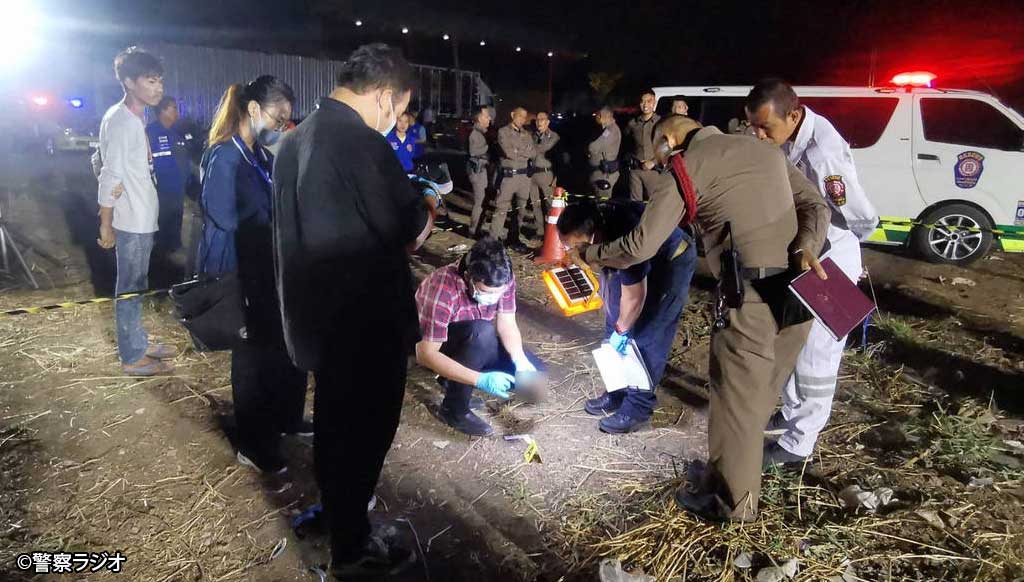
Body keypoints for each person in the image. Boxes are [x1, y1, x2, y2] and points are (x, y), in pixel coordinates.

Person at [578, 114, 830, 522]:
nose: (660, 162)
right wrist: (806, 245)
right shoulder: (763, 149)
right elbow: (815, 204)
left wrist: (592, 255)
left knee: (736, 405)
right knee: (757, 398)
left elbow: (641, 245)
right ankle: (726, 475)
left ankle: (731, 507)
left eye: (659, 152)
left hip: (751, 296)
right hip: (800, 291)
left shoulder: (686, 166)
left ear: (669, 139)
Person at [273, 43, 435, 579]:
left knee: (333, 427)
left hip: (317, 321)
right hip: (367, 324)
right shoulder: (363, 143)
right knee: (365, 434)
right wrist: (429, 203)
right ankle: (352, 548)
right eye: (398, 108)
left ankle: (339, 517)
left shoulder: (293, 139)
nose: (395, 119)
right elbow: (408, 230)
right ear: (386, 96)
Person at [745, 79, 879, 467]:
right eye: (754, 126)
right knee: (794, 342)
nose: (759, 135)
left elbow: (862, 217)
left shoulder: (822, 155)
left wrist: (844, 248)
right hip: (806, 258)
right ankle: (791, 414)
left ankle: (799, 443)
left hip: (830, 263)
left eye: (765, 127)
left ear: (794, 115)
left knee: (817, 356)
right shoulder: (790, 136)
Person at [196, 76, 308, 475]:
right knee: (252, 360)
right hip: (239, 273)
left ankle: (287, 418)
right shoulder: (225, 156)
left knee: (283, 349)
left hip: (268, 270)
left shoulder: (258, 155)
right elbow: (222, 218)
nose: (281, 126)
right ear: (254, 109)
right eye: (278, 118)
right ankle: (253, 442)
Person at [557, 201, 696, 433]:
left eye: (577, 248)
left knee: (647, 334)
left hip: (670, 260)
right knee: (614, 318)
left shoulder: (626, 238)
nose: (573, 253)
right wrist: (616, 325)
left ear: (593, 238)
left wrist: (622, 331)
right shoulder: (600, 225)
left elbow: (634, 297)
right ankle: (617, 391)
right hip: (629, 254)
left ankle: (637, 408)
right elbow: (613, 290)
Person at [96, 47, 176, 376]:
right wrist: (106, 223)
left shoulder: (134, 117)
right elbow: (110, 173)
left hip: (142, 215)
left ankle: (138, 341)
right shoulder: (121, 121)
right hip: (131, 220)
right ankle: (132, 356)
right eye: (151, 81)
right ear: (129, 82)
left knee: (138, 284)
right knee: (130, 287)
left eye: (160, 81)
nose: (158, 88)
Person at [414, 237, 542, 436]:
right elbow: (425, 354)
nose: (492, 298)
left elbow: (507, 323)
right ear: (468, 277)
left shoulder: (503, 278)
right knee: (481, 332)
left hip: (474, 339)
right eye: (485, 291)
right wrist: (479, 379)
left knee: (533, 370)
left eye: (498, 293)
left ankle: (452, 379)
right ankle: (453, 410)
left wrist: (520, 359)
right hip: (436, 343)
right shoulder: (442, 289)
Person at [489, 107, 540, 251]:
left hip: (524, 178)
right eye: (520, 116)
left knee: (520, 210)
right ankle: (493, 241)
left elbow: (533, 153)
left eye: (524, 117)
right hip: (509, 177)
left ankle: (514, 239)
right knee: (501, 209)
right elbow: (508, 152)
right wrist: (524, 150)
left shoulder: (526, 134)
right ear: (512, 115)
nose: (522, 119)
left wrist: (518, 150)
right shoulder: (503, 132)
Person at [146, 96, 187, 266]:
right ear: (162, 110)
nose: (177, 112)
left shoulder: (176, 133)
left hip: (177, 188)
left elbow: (184, 161)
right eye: (173, 108)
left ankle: (174, 247)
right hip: (160, 190)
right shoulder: (150, 133)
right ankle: (159, 256)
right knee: (161, 222)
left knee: (175, 220)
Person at [625, 90, 661, 202]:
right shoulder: (633, 123)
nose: (645, 105)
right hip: (635, 171)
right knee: (635, 204)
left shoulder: (661, 123)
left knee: (654, 203)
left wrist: (653, 162)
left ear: (654, 103)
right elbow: (626, 144)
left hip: (653, 172)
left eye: (649, 101)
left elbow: (667, 147)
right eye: (642, 101)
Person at [466, 106, 492, 237]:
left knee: (482, 200)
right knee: (480, 201)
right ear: (480, 118)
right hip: (477, 171)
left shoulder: (481, 132)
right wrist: (489, 147)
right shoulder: (475, 133)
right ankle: (473, 230)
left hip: (481, 170)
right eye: (487, 116)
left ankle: (477, 227)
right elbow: (473, 152)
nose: (489, 118)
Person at [529, 111, 560, 216]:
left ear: (548, 122)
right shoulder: (533, 136)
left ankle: (554, 223)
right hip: (532, 173)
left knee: (550, 203)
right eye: (537, 119)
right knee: (535, 204)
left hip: (546, 174)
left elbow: (548, 151)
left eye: (542, 119)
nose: (539, 122)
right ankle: (539, 225)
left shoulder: (554, 137)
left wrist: (556, 177)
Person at [588, 106, 621, 198]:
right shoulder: (606, 129)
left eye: (598, 115)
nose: (596, 117)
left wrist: (589, 147)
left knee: (602, 202)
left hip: (604, 175)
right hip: (600, 173)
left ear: (606, 116)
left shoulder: (610, 130)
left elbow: (593, 147)